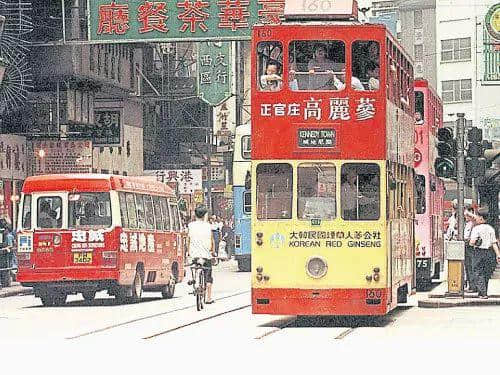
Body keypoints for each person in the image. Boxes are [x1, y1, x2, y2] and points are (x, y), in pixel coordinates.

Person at [187, 205, 216, 304]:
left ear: (195, 215)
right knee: (208, 275)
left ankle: (193, 279)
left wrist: (188, 252)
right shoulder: (208, 226)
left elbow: (188, 240)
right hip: (206, 255)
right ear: (205, 215)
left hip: (194, 255)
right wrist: (213, 252)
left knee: (194, 266)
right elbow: (212, 241)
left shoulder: (190, 225)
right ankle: (208, 298)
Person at [469, 208, 500, 299]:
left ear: (481, 218)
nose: (476, 218)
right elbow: (494, 243)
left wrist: (472, 243)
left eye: (477, 216)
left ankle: (483, 293)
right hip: (489, 252)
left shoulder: (476, 228)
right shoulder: (491, 229)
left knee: (477, 272)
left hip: (478, 252)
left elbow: (472, 242)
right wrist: (498, 254)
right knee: (486, 273)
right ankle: (483, 291)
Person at [464, 209, 477, 292]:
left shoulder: (473, 223)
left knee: (471, 266)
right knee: (467, 266)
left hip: (471, 247)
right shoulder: (466, 224)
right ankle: (470, 285)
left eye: (467, 216)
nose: (465, 217)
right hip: (466, 245)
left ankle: (473, 286)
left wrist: (468, 213)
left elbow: (475, 218)